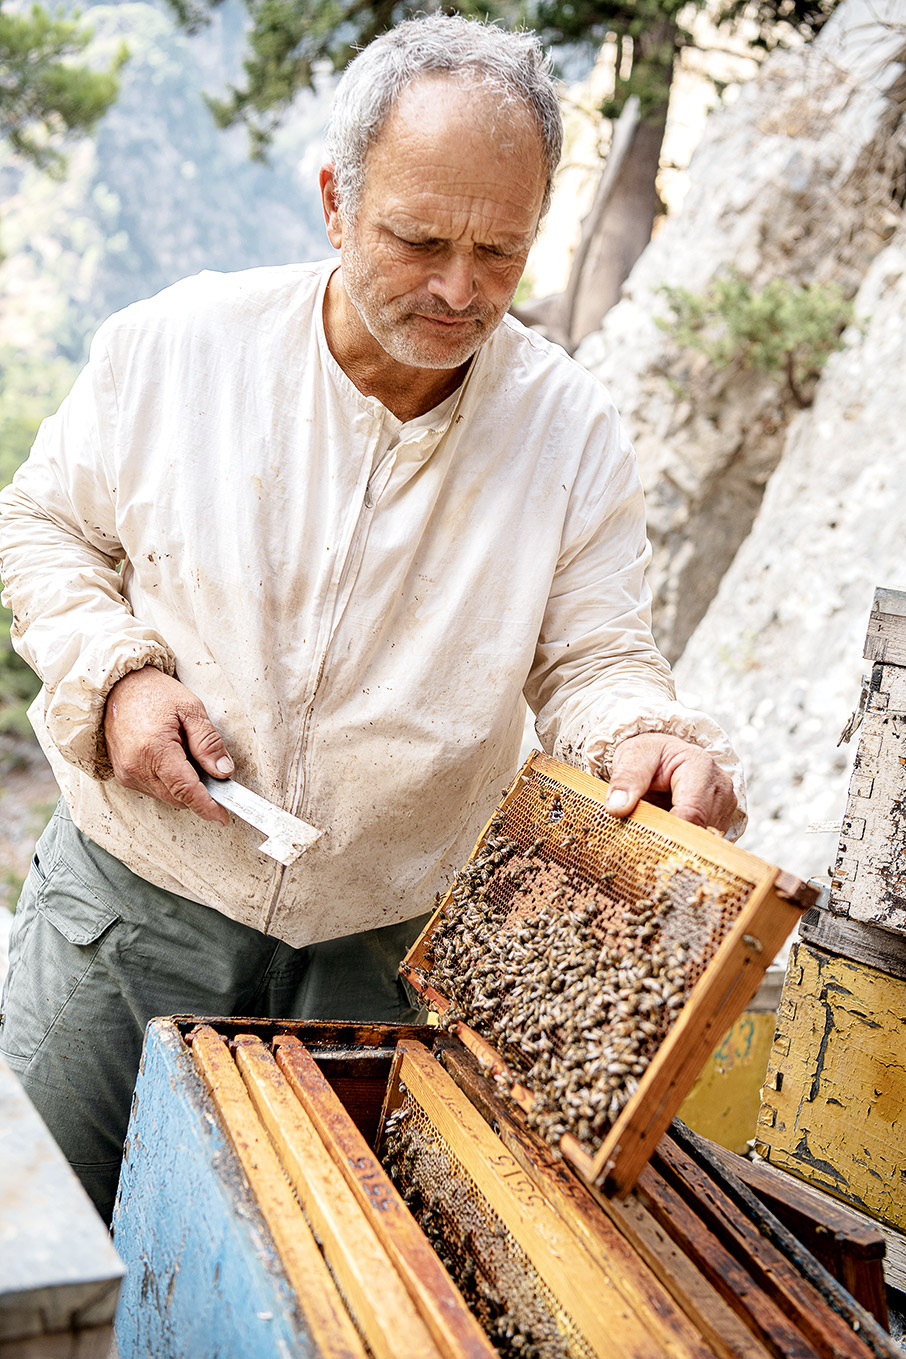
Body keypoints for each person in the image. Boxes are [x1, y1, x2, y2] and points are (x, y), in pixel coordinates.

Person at [0, 14, 743, 1222]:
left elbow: (597, 656)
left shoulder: (570, 431)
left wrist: (644, 737)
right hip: (128, 911)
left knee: (302, 1290)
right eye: (419, 239)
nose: (460, 290)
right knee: (38, 1252)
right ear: (337, 200)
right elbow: (40, 528)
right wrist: (120, 674)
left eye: (501, 252)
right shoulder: (176, 348)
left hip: (381, 953)